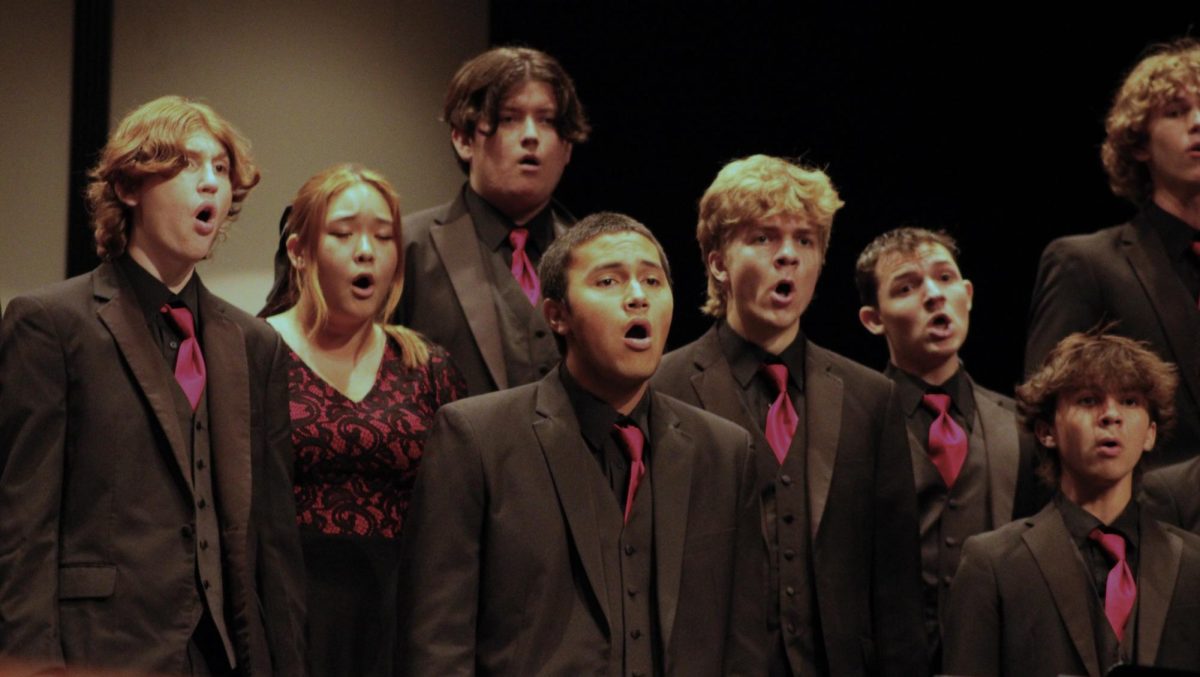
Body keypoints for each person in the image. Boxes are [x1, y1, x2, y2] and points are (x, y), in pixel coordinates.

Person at [0, 96, 304, 675]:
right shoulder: (52, 324)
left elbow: (274, 541)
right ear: (131, 186)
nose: (211, 183)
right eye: (188, 165)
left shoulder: (252, 343)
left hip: (223, 653)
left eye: (220, 168)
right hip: (101, 650)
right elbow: (23, 528)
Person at [397, 212, 766, 676]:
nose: (637, 297)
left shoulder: (726, 452)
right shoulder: (477, 439)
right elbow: (436, 645)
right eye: (609, 281)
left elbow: (746, 648)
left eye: (653, 281)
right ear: (557, 314)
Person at [652, 155, 925, 676]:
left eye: (805, 240)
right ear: (717, 263)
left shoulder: (871, 398)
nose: (788, 257)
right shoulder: (663, 389)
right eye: (763, 238)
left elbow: (896, 589)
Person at [260, 164, 464, 676]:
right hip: (285, 617)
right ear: (299, 251)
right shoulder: (252, 352)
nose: (367, 250)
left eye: (384, 235)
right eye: (343, 233)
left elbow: (456, 515)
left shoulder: (425, 365)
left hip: (398, 623)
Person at [944, 332, 1200, 677]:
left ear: (1151, 434)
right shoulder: (992, 565)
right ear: (1047, 430)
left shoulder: (1193, 564)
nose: (1112, 415)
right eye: (1088, 400)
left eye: (1130, 401)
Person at [854, 227, 1047, 669]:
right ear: (873, 318)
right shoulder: (852, 420)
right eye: (907, 286)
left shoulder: (1021, 425)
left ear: (969, 294)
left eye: (945, 278)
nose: (934, 296)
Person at [1025, 38, 1200, 467]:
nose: (1198, 122)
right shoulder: (1086, 264)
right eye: (1176, 112)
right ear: (1139, 143)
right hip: (1148, 525)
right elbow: (1044, 416)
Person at [396, 46, 590, 396]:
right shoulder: (405, 248)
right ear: (463, 138)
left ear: (567, 147)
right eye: (509, 118)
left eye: (546, 120)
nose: (531, 135)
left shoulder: (594, 254)